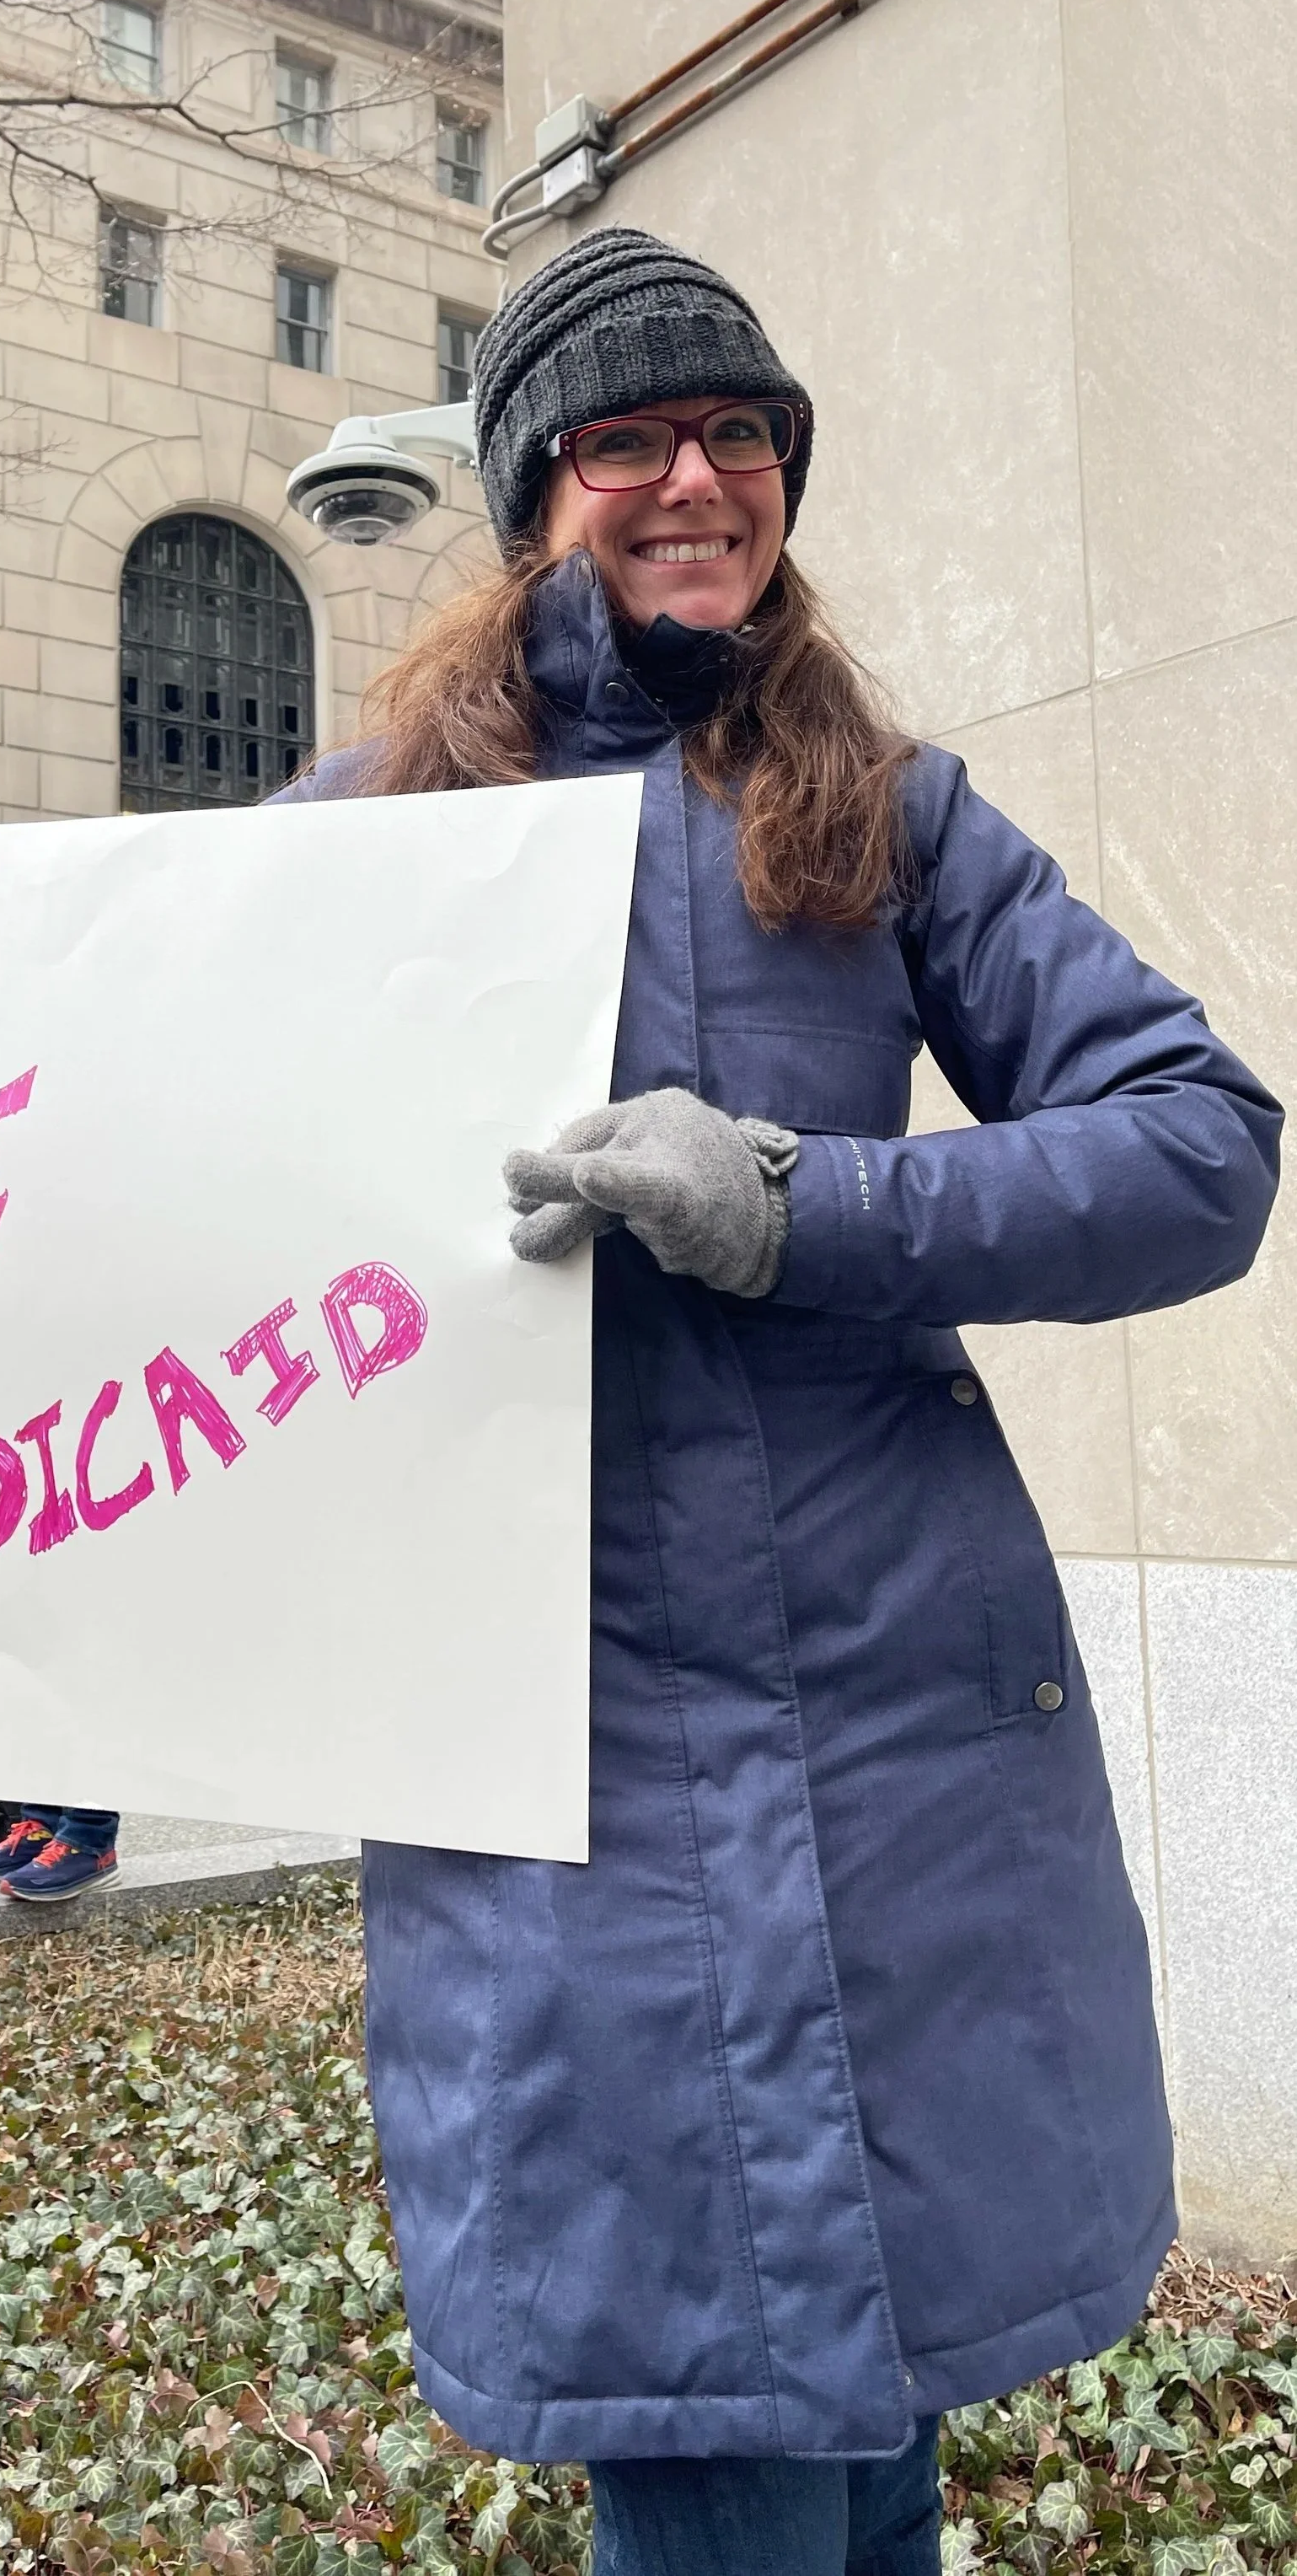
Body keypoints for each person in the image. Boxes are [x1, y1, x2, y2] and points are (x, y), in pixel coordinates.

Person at [265, 228, 1282, 2575]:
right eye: (623, 436)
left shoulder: (889, 811)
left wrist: (804, 1203)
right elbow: (62, 1179)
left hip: (905, 1765)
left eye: (732, 432)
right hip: (571, 1796)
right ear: (533, 489)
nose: (690, 477)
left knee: (862, 2442)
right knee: (726, 2454)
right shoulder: (356, 830)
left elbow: (1195, 1145)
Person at [0, 1802, 121, 1901]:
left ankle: (89, 1843)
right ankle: (44, 1829)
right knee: (42, 1746)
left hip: (93, 1847)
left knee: (87, 1747)